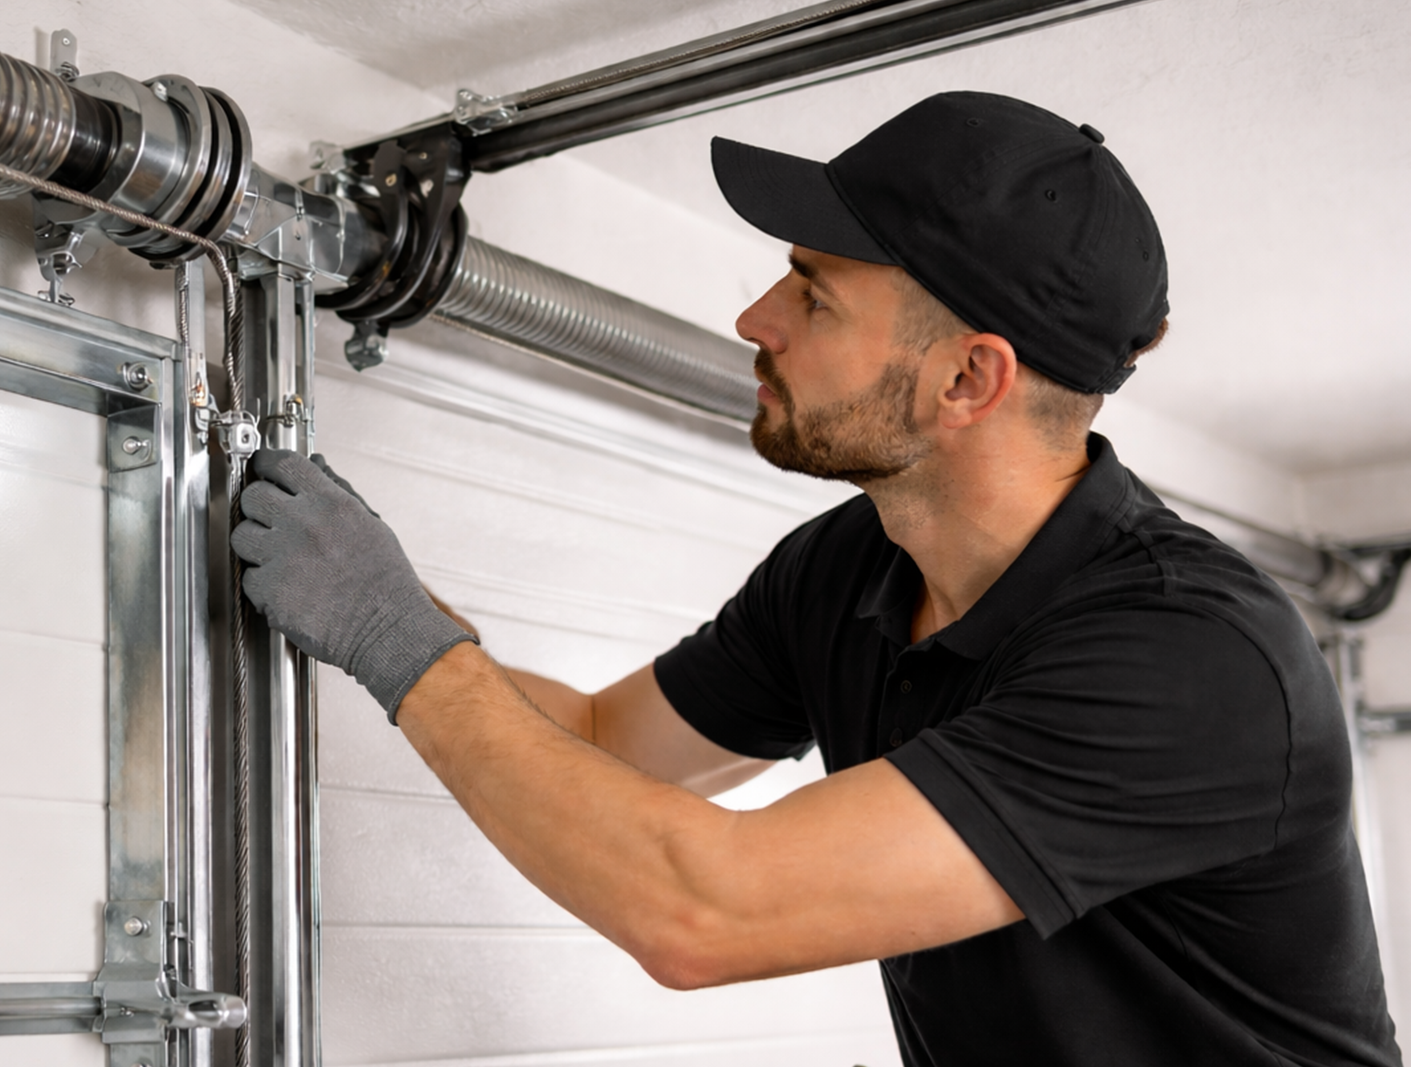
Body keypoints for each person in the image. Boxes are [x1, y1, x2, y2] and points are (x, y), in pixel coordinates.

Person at [230, 92, 1399, 1065]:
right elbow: (601, 739)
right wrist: (381, 607)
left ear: (966, 380)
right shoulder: (852, 567)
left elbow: (709, 910)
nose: (754, 316)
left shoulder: (1192, 655)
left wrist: (395, 638)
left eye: (814, 293)